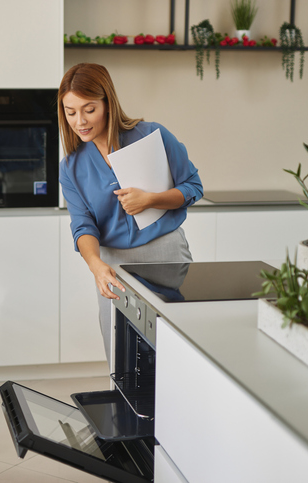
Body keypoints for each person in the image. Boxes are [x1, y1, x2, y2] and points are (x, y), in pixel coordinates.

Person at [58, 63, 203, 363]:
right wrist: (95, 265)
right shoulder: (71, 167)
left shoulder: (152, 135)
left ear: (108, 104)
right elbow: (83, 226)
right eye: (70, 112)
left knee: (176, 353)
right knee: (121, 356)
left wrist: (152, 199)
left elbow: (193, 187)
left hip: (167, 258)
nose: (79, 121)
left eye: (89, 109)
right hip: (113, 268)